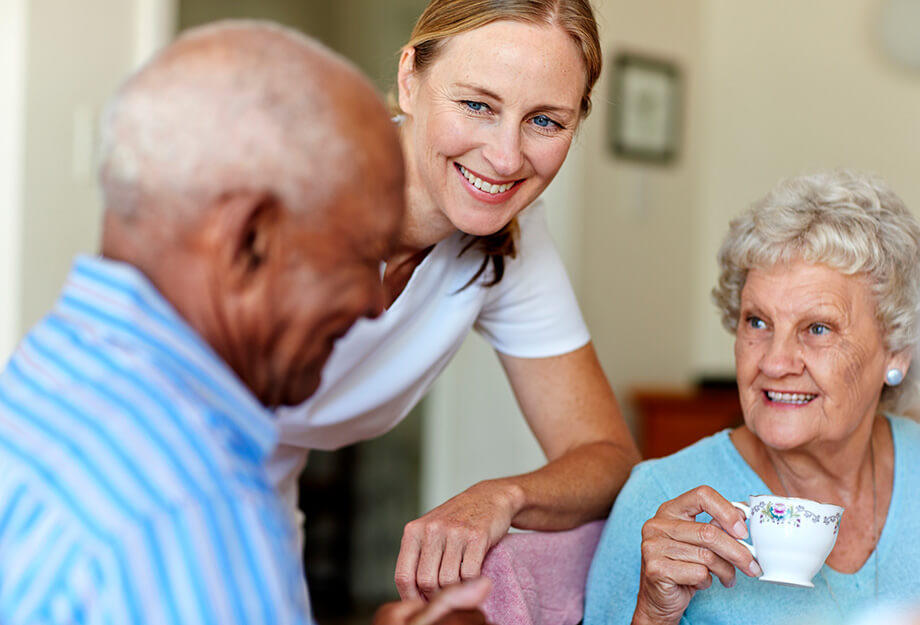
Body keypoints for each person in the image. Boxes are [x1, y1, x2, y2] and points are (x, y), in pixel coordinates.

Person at [0, 21, 490, 625]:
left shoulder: (48, 373)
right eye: (362, 255)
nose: (372, 304)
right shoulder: (192, 502)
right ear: (249, 240)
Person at [269, 0, 641, 600]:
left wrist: (502, 496)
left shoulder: (512, 244)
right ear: (410, 79)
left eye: (545, 121)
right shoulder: (292, 192)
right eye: (477, 105)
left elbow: (606, 455)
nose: (505, 157)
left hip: (261, 510)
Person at [583, 170, 920, 624]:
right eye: (757, 322)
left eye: (817, 328)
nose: (776, 362)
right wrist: (653, 613)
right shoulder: (660, 501)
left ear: (897, 349)